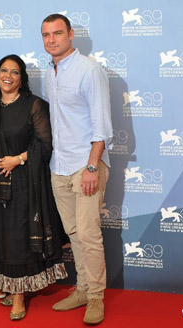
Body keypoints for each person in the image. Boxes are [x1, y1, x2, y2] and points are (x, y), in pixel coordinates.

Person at [0, 54, 68, 321]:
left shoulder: (34, 105)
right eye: (3, 71)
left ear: (22, 78)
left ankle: (19, 296)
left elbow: (45, 144)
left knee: (18, 238)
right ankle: (9, 285)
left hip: (24, 183)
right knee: (1, 236)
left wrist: (18, 159)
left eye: (15, 72)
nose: (8, 76)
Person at [41, 14, 113, 325]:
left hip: (86, 165)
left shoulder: (89, 70)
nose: (51, 39)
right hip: (59, 166)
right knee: (73, 233)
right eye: (46, 34)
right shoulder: (49, 73)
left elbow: (101, 124)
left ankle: (96, 296)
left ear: (71, 35)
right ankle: (82, 288)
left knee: (88, 233)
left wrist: (92, 166)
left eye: (57, 33)